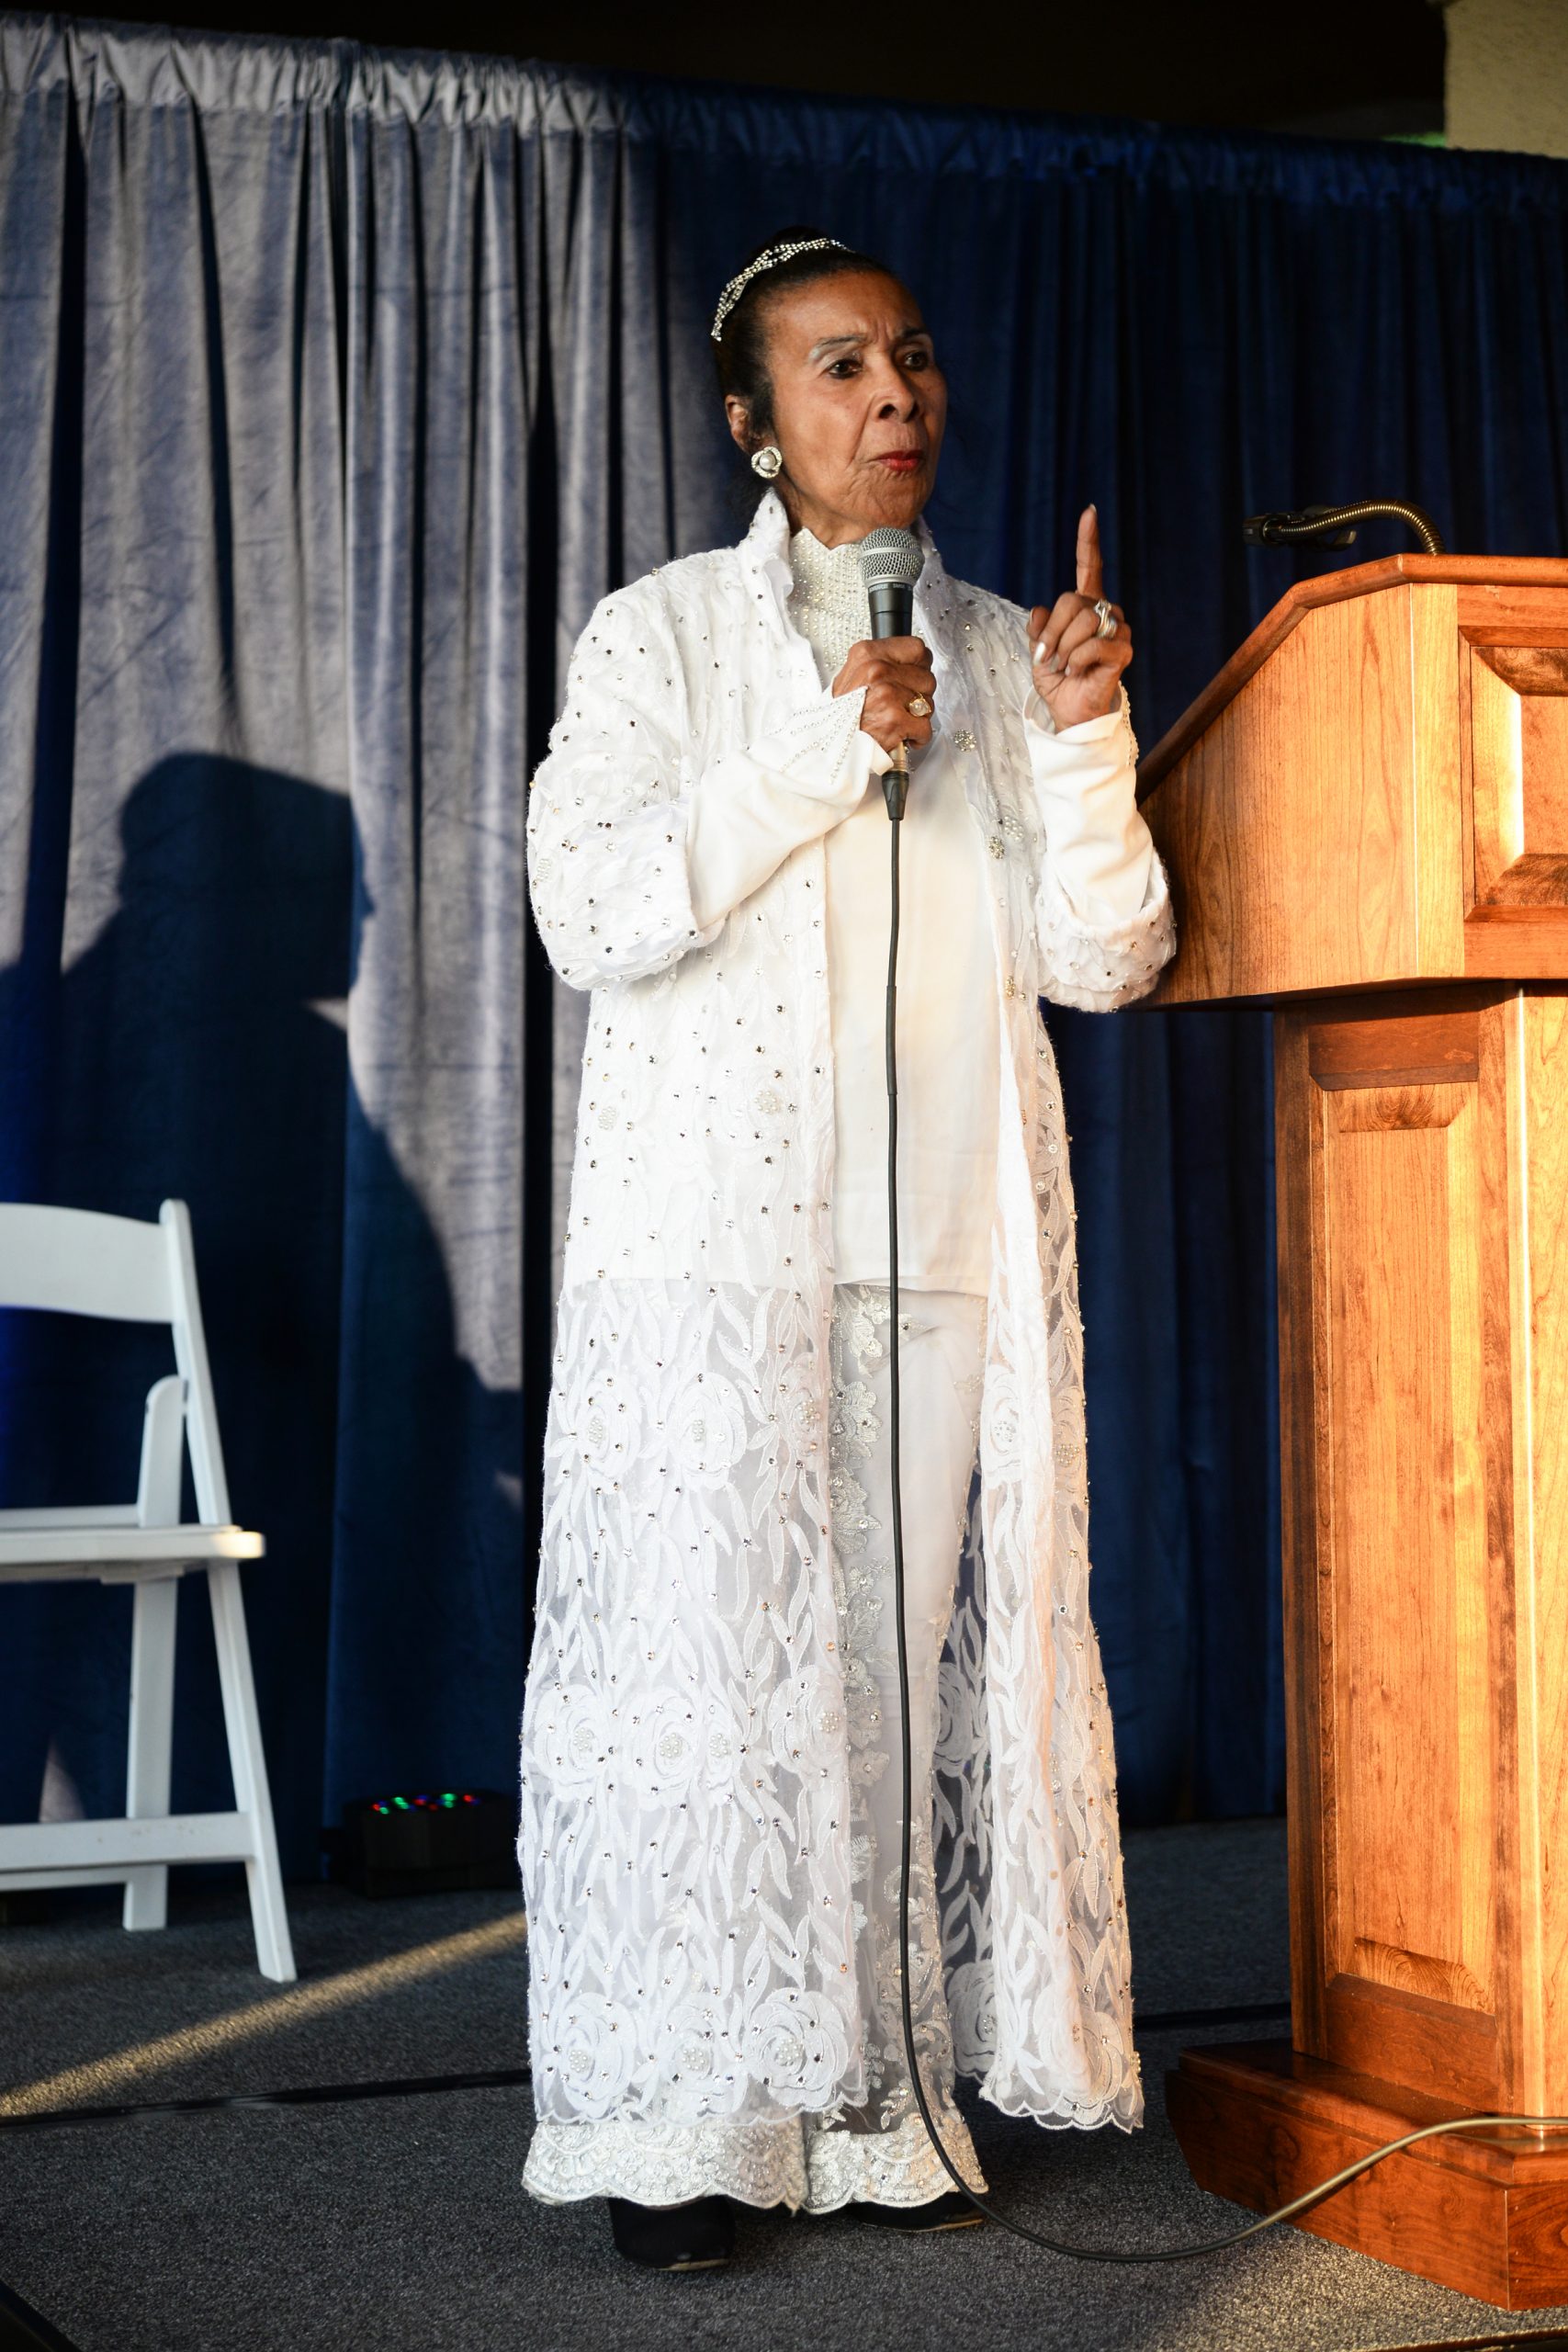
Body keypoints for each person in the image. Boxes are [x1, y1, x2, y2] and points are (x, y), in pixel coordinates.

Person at [520, 227, 1175, 2273]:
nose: (894, 396)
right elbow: (593, 906)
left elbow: (1107, 956)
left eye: (911, 359)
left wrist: (1081, 741)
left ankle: (881, 2104)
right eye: (839, 368)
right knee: (714, 1693)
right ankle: (685, 2128)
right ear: (753, 421)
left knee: (887, 1696)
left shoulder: (995, 644)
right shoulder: (659, 636)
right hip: (724, 1275)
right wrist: (818, 743)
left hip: (942, 1258)